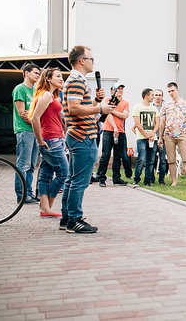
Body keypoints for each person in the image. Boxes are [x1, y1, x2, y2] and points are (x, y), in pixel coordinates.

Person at [62, 45, 113, 233]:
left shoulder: (75, 80)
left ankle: (67, 218)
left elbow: (80, 107)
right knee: (79, 181)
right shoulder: (76, 80)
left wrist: (96, 101)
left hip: (78, 134)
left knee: (72, 179)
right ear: (81, 61)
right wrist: (100, 109)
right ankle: (74, 220)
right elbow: (74, 108)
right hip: (82, 135)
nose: (93, 62)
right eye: (91, 59)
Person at [29, 67, 66, 216]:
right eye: (58, 76)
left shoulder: (51, 96)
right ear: (48, 79)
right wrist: (39, 141)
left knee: (46, 174)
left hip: (55, 139)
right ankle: (47, 206)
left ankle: (45, 209)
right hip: (50, 140)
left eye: (61, 76)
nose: (61, 79)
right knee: (64, 173)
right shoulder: (45, 95)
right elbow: (34, 118)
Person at [12, 62, 41, 204]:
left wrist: (36, 123)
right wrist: (36, 123)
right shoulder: (20, 89)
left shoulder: (35, 90)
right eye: (36, 73)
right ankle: (21, 195)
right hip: (24, 131)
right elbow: (22, 113)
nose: (38, 76)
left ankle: (29, 194)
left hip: (34, 130)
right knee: (23, 164)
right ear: (26, 73)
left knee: (31, 165)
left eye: (39, 74)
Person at [158, 82, 186, 187]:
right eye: (169, 91)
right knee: (171, 160)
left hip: (182, 134)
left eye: (172, 91)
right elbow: (162, 122)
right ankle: (174, 181)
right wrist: (160, 137)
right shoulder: (165, 105)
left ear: (177, 90)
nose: (171, 93)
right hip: (169, 135)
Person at [95, 83, 131, 187]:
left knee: (117, 155)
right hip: (108, 130)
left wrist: (113, 111)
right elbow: (108, 114)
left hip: (120, 131)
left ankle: (116, 177)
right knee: (105, 154)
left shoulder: (125, 103)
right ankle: (101, 177)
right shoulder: (108, 100)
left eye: (121, 89)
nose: (120, 91)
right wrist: (114, 127)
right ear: (112, 91)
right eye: (118, 89)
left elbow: (124, 115)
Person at [131, 88, 160, 186]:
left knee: (151, 161)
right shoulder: (137, 107)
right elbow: (137, 124)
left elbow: (157, 123)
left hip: (153, 138)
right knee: (141, 159)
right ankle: (136, 179)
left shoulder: (154, 109)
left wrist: (152, 134)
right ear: (146, 96)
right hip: (141, 138)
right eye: (152, 95)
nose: (154, 97)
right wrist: (145, 134)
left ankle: (147, 180)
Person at [152, 89, 167, 184]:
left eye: (159, 95)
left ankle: (161, 179)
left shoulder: (165, 107)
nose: (158, 97)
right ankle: (151, 178)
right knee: (152, 159)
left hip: (163, 137)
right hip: (153, 136)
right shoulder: (150, 107)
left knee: (163, 159)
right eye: (156, 95)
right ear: (153, 96)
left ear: (162, 96)